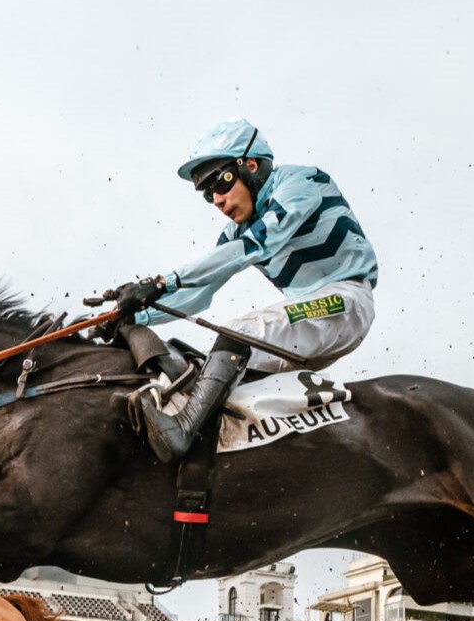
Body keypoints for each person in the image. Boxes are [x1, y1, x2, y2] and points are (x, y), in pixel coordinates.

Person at [104, 119, 380, 461]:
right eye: (208, 195)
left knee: (239, 333)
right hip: (312, 320)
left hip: (346, 301)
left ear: (250, 165)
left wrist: (161, 282)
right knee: (214, 374)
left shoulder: (301, 181)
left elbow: (258, 245)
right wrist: (130, 316)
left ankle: (184, 431)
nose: (217, 200)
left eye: (219, 184)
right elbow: (198, 293)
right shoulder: (236, 233)